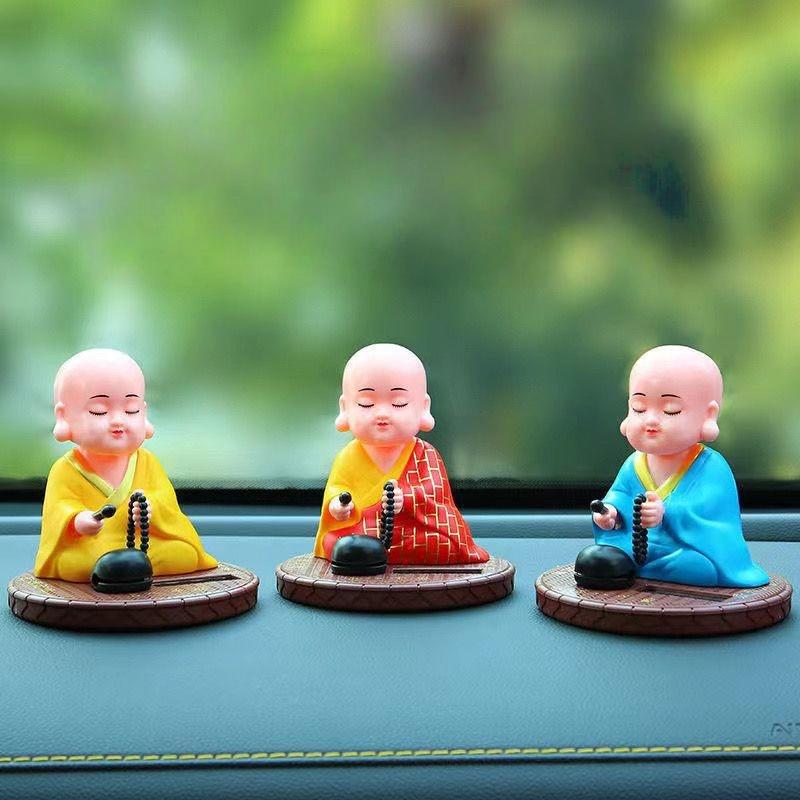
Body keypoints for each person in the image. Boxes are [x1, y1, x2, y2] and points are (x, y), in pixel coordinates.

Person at [575, 345, 769, 589]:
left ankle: (642, 569)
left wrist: (665, 513)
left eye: (670, 410)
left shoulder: (711, 467)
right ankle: (631, 566)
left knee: (699, 566)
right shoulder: (634, 463)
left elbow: (712, 515)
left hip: (681, 550)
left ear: (708, 415)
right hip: (635, 545)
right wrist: (610, 514)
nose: (650, 420)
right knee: (599, 558)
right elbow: (620, 496)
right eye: (639, 408)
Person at [34, 349, 217, 581]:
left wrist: (151, 509)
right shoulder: (65, 469)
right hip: (95, 544)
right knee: (75, 563)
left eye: (131, 410)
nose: (118, 420)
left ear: (144, 412)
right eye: (99, 411)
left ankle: (124, 570)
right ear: (64, 416)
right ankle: (123, 569)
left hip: (142, 542)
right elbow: (58, 508)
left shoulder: (147, 462)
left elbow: (166, 501)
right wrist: (77, 520)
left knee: (183, 553)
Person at [314, 343, 489, 565]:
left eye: (399, 403)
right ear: (345, 408)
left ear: (423, 408)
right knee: (334, 542)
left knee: (443, 543)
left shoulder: (425, 454)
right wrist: (338, 506)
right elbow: (338, 489)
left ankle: (377, 555)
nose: (382, 413)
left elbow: (436, 495)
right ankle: (374, 553)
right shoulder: (348, 456)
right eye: (366, 404)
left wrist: (405, 498)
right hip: (365, 530)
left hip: (413, 531)